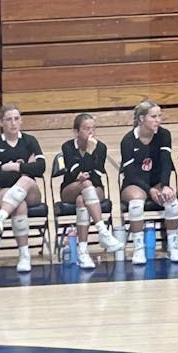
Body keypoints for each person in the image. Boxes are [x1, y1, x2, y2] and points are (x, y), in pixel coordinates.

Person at [119, 100, 178, 264]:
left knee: (171, 200)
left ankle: (173, 246)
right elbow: (131, 173)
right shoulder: (128, 140)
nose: (158, 120)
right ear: (141, 119)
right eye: (153, 116)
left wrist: (163, 185)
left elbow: (166, 164)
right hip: (135, 183)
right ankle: (138, 249)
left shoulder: (164, 135)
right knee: (136, 202)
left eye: (159, 116)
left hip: (157, 182)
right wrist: (150, 190)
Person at [58, 113, 125, 269]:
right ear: (76, 131)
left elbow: (97, 174)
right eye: (86, 129)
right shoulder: (67, 147)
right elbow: (73, 173)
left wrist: (84, 171)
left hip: (94, 188)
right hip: (70, 189)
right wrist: (88, 152)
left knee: (83, 198)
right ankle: (103, 231)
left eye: (93, 129)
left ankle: (82, 251)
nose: (91, 132)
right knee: (85, 185)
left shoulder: (101, 147)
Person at [0, 105, 46, 272]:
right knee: (19, 204)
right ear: (1, 122)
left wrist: (15, 168)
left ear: (21, 121)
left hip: (30, 191)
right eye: (8, 119)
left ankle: (0, 217)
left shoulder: (30, 141)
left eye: (16, 119)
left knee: (26, 180)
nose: (13, 123)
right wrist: (27, 165)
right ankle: (24, 255)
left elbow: (41, 168)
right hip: (3, 192)